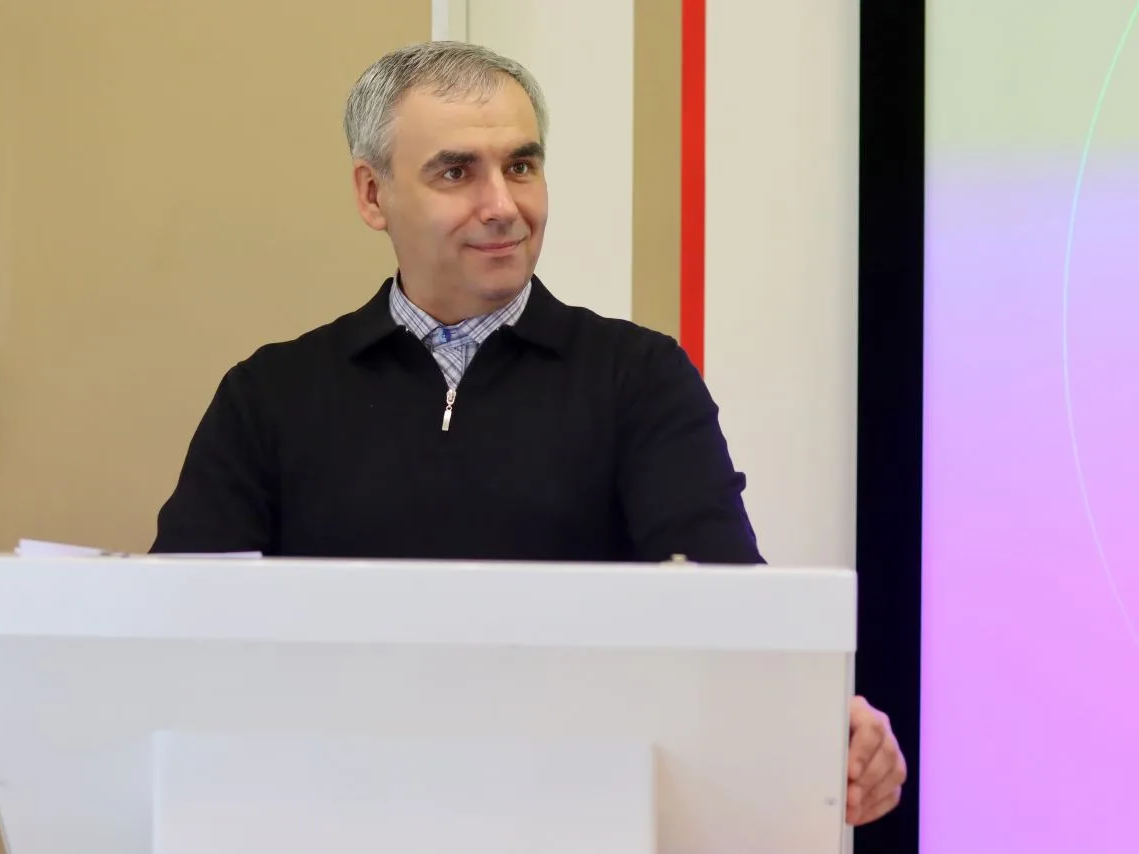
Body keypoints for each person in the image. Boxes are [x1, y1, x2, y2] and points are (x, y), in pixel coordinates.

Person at [150, 40, 906, 825]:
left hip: (579, 820)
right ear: (373, 195)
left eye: (521, 166)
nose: (503, 205)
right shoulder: (270, 395)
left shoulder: (638, 378)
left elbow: (727, 611)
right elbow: (173, 637)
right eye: (456, 172)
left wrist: (824, 725)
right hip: (323, 819)